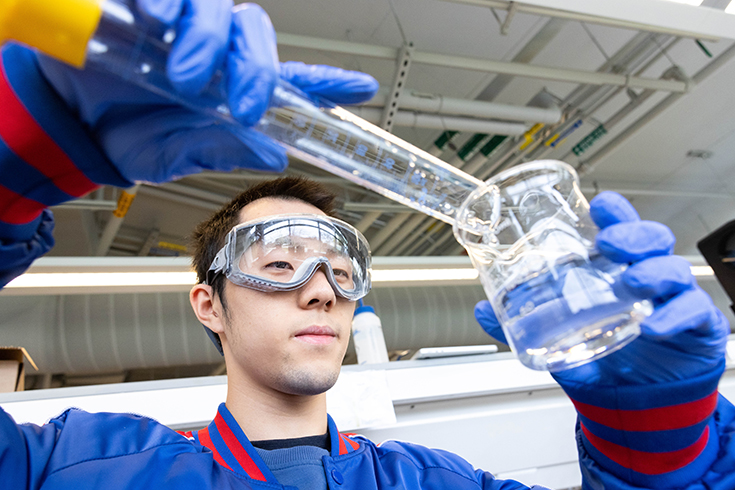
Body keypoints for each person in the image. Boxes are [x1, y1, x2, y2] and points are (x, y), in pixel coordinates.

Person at [0, 1, 733, 489]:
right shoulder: (67, 464)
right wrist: (19, 149)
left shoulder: (440, 482)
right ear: (209, 304)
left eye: (342, 273)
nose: (320, 289)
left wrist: (658, 446)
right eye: (279, 265)